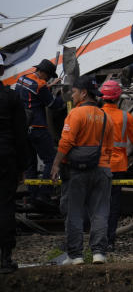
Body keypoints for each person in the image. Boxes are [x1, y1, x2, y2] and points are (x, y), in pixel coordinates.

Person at [50, 75, 115, 265]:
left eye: (75, 92)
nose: (73, 95)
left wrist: (55, 164)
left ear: (84, 93)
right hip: (102, 169)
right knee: (100, 212)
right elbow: (110, 148)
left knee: (74, 212)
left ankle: (76, 255)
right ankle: (99, 253)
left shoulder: (76, 114)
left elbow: (66, 142)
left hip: (77, 171)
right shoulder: (106, 117)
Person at [100, 79, 133, 251]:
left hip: (99, 165)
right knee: (113, 205)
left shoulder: (96, 115)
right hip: (117, 167)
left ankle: (96, 240)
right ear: (118, 97)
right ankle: (109, 241)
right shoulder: (125, 117)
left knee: (98, 203)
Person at [15, 58, 64, 208]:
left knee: (31, 163)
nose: (48, 79)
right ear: (43, 72)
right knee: (51, 159)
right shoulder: (41, 85)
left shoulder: (22, 79)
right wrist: (64, 98)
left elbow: (33, 96)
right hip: (38, 127)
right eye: (48, 76)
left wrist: (49, 86)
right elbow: (52, 104)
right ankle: (45, 194)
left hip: (24, 127)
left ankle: (33, 196)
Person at [0, 79, 29, 273]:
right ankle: (5, 259)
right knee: (5, 204)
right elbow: (21, 134)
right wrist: (22, 166)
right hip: (5, 157)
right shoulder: (11, 97)